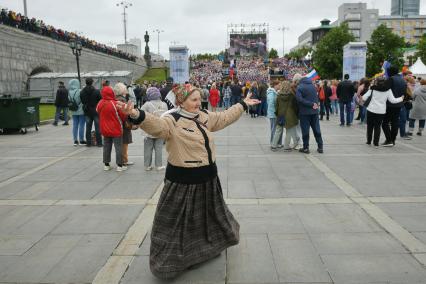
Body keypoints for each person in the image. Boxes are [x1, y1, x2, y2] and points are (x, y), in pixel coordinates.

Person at [117, 84, 260, 279]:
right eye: (193, 100)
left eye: (199, 98)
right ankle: (176, 260)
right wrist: (136, 114)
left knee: (207, 219)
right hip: (184, 183)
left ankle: (207, 249)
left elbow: (224, 117)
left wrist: (242, 104)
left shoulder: (203, 115)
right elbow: (157, 126)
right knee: (181, 226)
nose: (198, 102)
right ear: (180, 101)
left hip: (208, 179)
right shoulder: (172, 119)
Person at [362, 77, 403, 148]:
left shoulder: (372, 88)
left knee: (370, 126)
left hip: (371, 109)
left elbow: (364, 98)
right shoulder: (388, 90)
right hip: (381, 111)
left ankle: (369, 141)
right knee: (377, 127)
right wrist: (401, 98)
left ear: (377, 82)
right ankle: (376, 144)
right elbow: (393, 100)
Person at [96, 86, 127, 172]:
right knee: (118, 147)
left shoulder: (100, 103)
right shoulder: (115, 103)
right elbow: (123, 116)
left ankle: (106, 164)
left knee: (106, 147)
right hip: (116, 129)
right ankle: (119, 165)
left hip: (105, 129)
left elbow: (97, 111)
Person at [141, 87, 168, 170]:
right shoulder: (164, 104)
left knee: (148, 149)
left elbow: (141, 115)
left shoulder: (147, 105)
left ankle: (147, 166)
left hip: (148, 131)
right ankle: (158, 165)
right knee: (159, 149)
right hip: (160, 130)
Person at [295, 76, 324, 154]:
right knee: (316, 129)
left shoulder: (299, 87)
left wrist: (310, 104)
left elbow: (299, 99)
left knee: (305, 130)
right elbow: (316, 97)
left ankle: (306, 148)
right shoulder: (313, 86)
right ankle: (320, 147)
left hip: (304, 112)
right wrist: (314, 105)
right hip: (314, 112)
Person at [272, 81, 300, 151]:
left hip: (281, 115)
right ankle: (286, 146)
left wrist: (277, 113)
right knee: (289, 131)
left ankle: (273, 145)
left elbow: (276, 106)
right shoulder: (292, 95)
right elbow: (295, 106)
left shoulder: (278, 95)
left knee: (278, 130)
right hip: (290, 116)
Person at [114, 83, 134, 166]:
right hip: (123, 124)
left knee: (120, 143)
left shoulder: (116, 99)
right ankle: (124, 160)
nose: (126, 90)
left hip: (118, 123)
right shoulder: (121, 100)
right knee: (124, 143)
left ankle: (122, 159)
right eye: (125, 88)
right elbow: (124, 113)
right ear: (122, 90)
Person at [80, 77, 102, 146]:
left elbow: (82, 101)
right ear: (92, 82)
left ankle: (88, 143)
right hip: (95, 110)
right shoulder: (97, 91)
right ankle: (99, 143)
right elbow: (100, 100)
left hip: (87, 111)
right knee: (97, 127)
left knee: (88, 127)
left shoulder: (82, 91)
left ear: (86, 82)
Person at [68, 79, 86, 146]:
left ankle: (75, 140)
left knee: (75, 125)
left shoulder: (69, 92)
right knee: (81, 125)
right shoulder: (80, 91)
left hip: (73, 110)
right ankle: (81, 139)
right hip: (81, 110)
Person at [266, 80, 281, 145]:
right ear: (275, 85)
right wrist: (276, 109)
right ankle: (273, 142)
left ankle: (277, 142)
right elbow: (271, 103)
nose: (280, 86)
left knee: (275, 128)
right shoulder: (271, 92)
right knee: (274, 129)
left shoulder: (274, 92)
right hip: (273, 113)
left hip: (274, 113)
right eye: (279, 85)